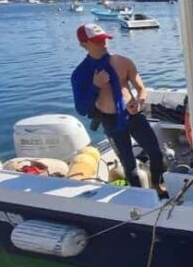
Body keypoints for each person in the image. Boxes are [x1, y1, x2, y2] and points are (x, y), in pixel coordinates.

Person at [70, 23, 166, 197]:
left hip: (133, 114)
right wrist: (95, 86)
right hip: (110, 120)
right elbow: (81, 109)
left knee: (155, 152)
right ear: (84, 43)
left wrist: (140, 100)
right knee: (128, 163)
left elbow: (141, 88)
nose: (104, 43)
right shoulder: (81, 73)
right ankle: (139, 194)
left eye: (104, 39)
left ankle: (157, 184)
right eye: (97, 41)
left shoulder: (123, 62)